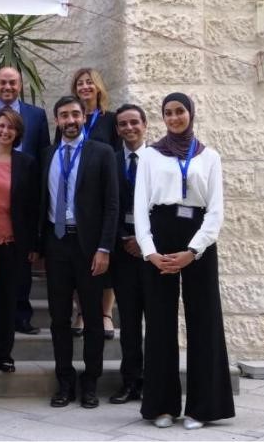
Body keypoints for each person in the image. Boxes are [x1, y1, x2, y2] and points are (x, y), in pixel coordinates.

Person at [134, 93, 233, 430]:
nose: (174, 117)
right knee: (160, 324)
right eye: (168, 113)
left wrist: (193, 250)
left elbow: (216, 212)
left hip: (198, 242)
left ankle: (202, 408)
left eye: (180, 112)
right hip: (160, 239)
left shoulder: (210, 157)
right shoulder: (149, 156)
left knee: (204, 321)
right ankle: (161, 406)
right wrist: (150, 252)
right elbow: (140, 208)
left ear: (191, 114)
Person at [35, 96, 118, 410]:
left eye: (75, 114)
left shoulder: (102, 153)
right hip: (56, 245)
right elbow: (40, 202)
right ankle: (64, 381)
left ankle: (91, 383)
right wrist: (38, 246)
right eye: (63, 116)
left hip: (89, 248)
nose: (70, 120)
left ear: (84, 117)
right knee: (58, 318)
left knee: (94, 318)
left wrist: (104, 247)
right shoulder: (48, 154)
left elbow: (112, 205)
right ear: (57, 120)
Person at [0, 108, 39, 373]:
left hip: (13, 242)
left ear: (17, 133)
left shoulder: (26, 163)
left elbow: (32, 207)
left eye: (11, 128)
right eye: (1, 126)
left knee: (7, 301)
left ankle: (2, 354)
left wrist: (34, 244)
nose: (5, 131)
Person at [63, 67, 119, 340]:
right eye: (80, 83)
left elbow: (117, 157)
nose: (85, 87)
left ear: (98, 87)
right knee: (75, 263)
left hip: (101, 201)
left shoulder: (110, 120)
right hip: (74, 204)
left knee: (105, 260)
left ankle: (106, 313)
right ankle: (81, 311)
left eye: (89, 83)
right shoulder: (68, 122)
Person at [110, 104, 148, 405]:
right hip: (123, 252)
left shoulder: (160, 159)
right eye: (123, 124)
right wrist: (125, 238)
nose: (128, 128)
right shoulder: (110, 160)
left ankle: (154, 381)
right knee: (130, 322)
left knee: (158, 323)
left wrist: (145, 240)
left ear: (144, 125)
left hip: (152, 254)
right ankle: (130, 381)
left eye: (134, 122)